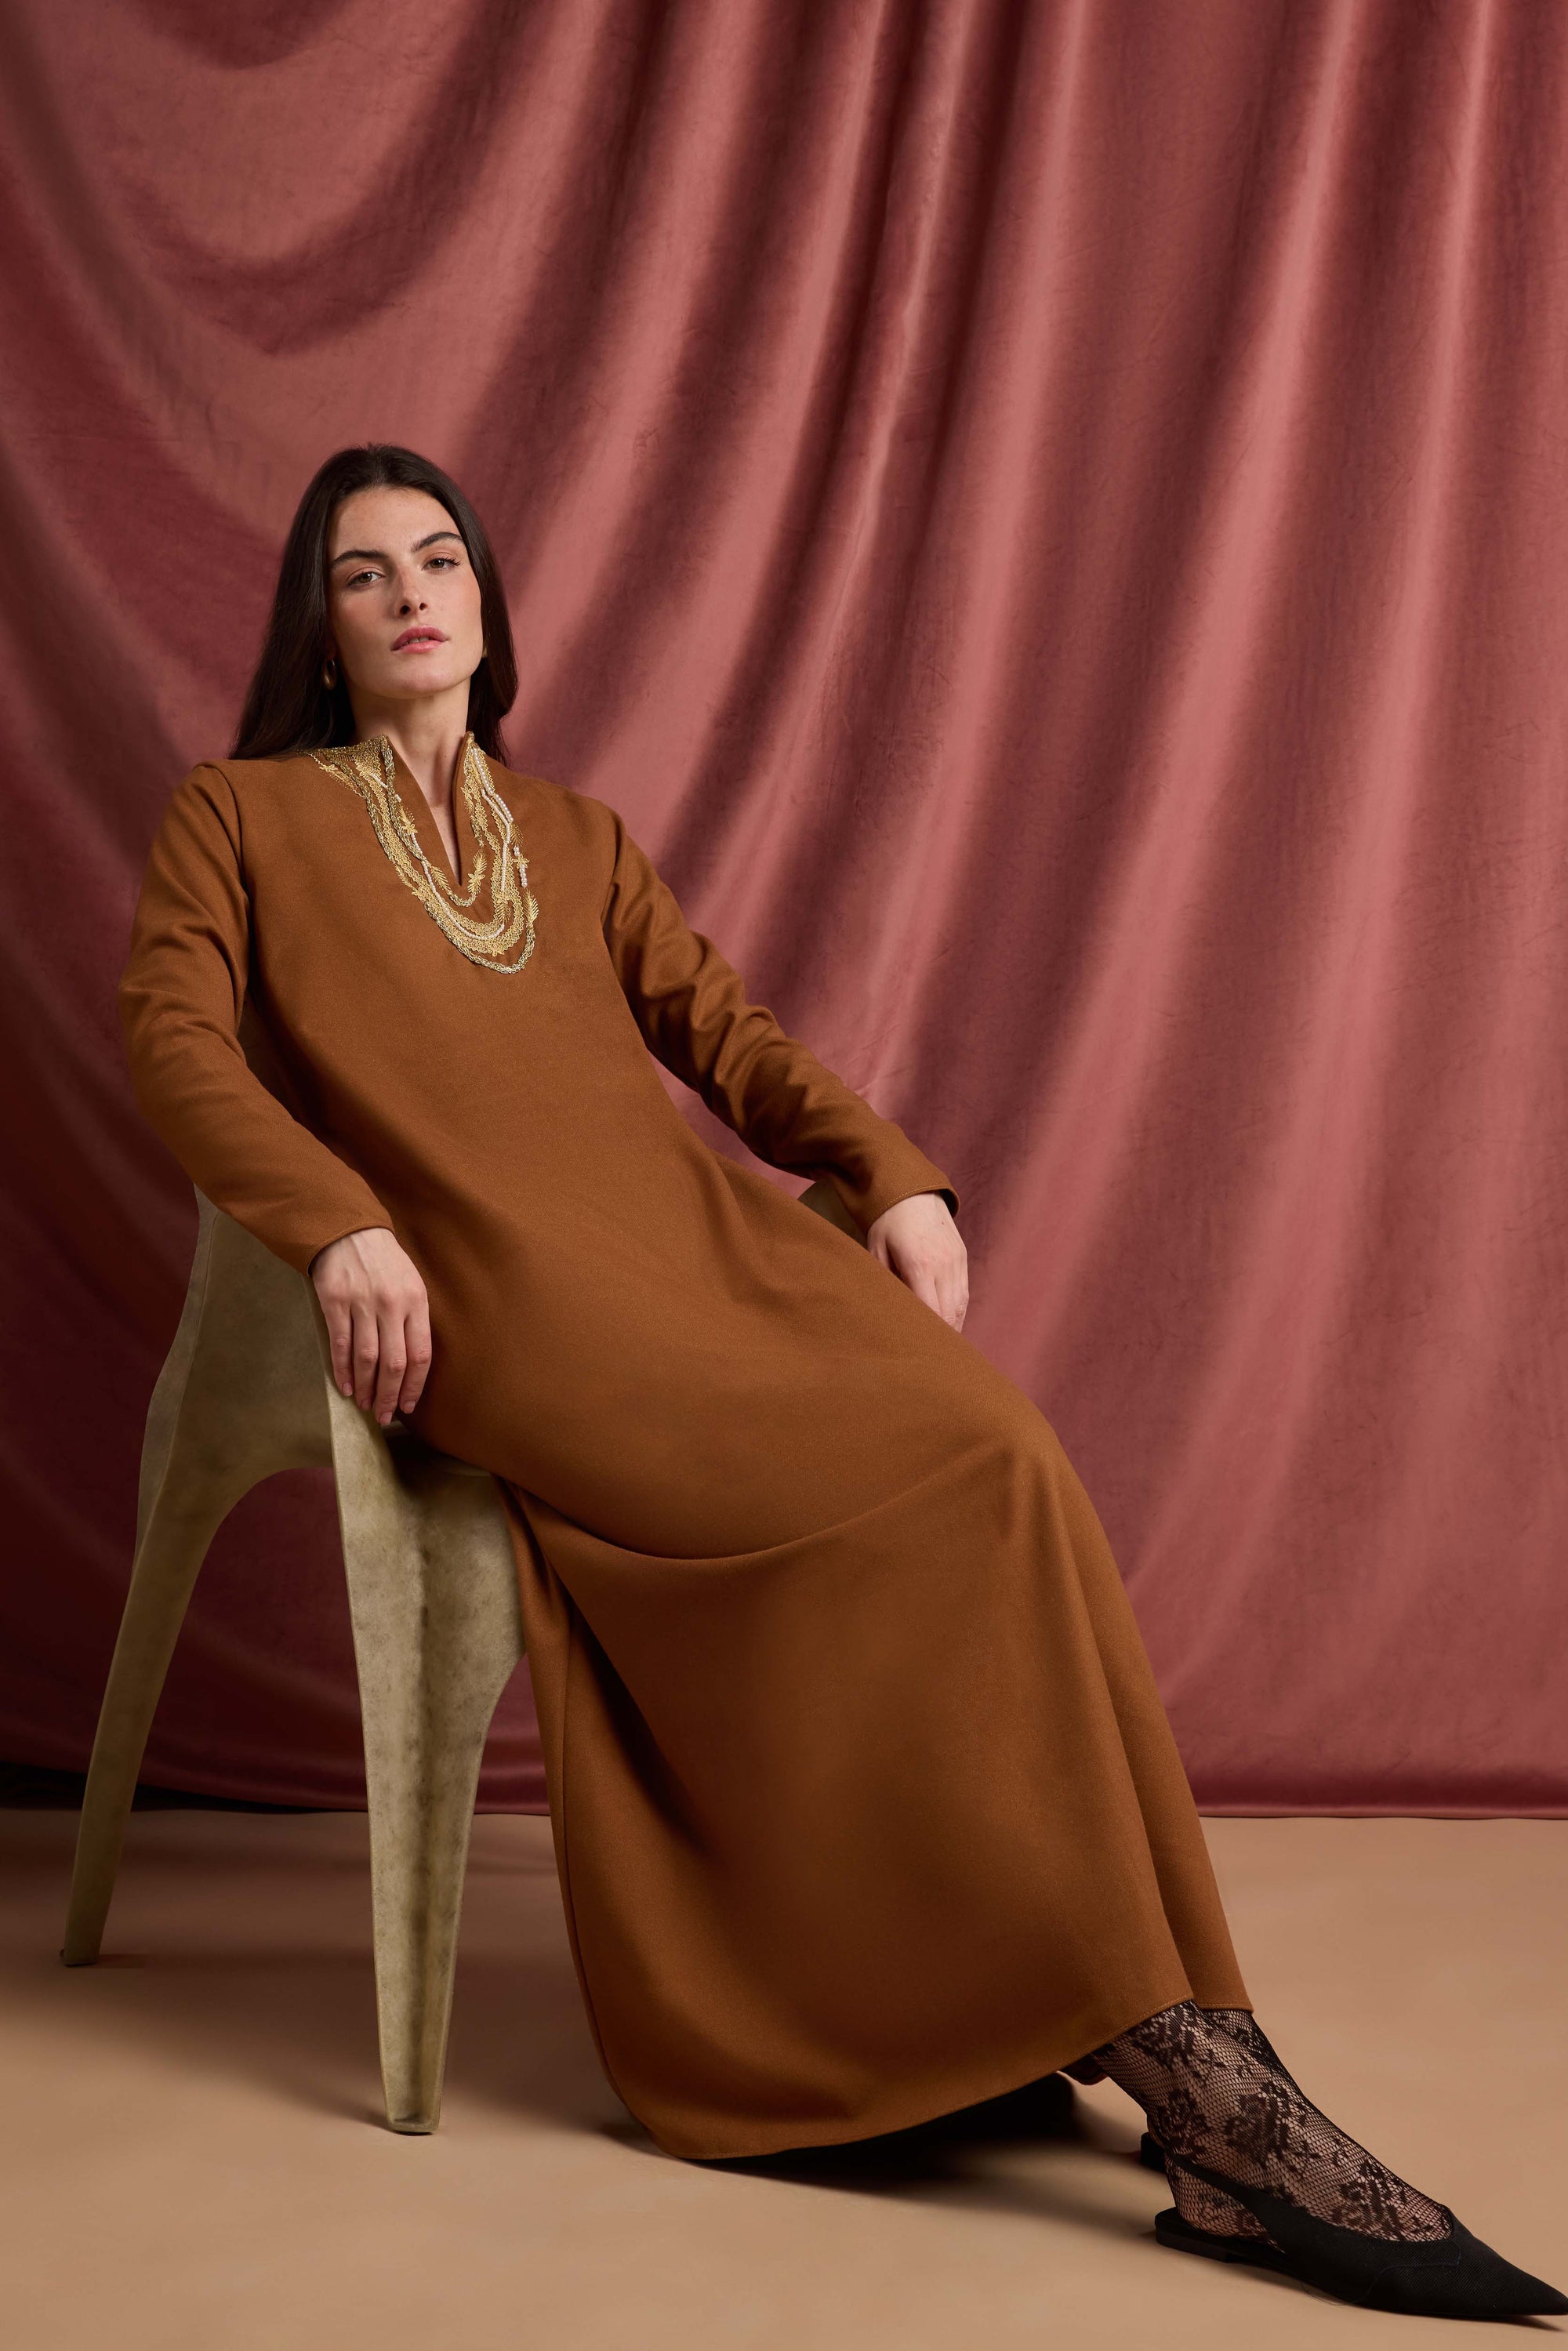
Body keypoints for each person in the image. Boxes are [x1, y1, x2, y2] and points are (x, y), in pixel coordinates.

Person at [116, 443, 1563, 2321]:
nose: (409, 594)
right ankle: (1199, 2094)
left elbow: (725, 1032)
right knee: (853, 1498)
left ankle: (1163, 2036)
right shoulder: (236, 816)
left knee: (992, 1453)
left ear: (486, 601)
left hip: (700, 1254)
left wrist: (893, 1176)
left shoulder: (575, 836)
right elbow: (173, 1037)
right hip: (500, 1299)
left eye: (440, 557)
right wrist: (336, 1228)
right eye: (362, 570)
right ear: (317, 628)